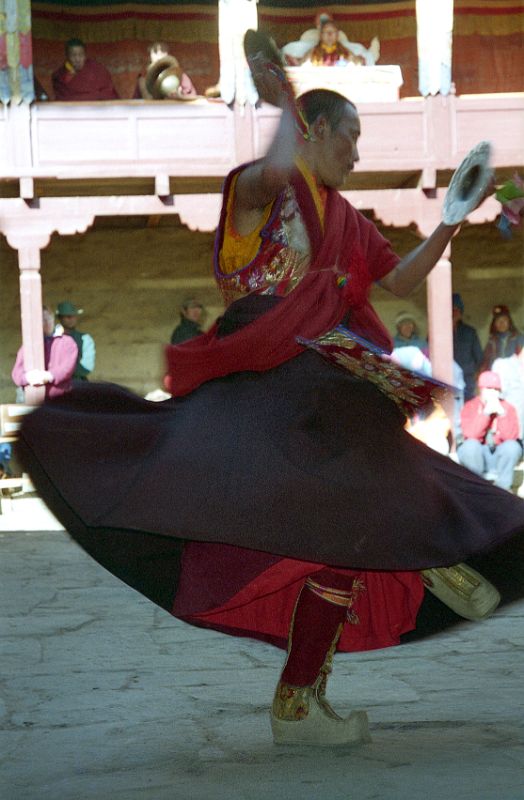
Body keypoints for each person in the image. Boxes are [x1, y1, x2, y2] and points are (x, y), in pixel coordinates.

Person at [18, 70, 524, 748]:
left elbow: (400, 279)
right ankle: (423, 546)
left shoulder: (348, 216)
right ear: (314, 129)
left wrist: (452, 221)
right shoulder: (262, 190)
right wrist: (278, 106)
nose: (358, 152)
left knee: (340, 523)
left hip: (322, 367)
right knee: (340, 496)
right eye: (350, 136)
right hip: (262, 361)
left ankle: (305, 695)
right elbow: (272, 169)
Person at [457, 371, 522, 492]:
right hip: (476, 457)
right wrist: (485, 414)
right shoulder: (470, 406)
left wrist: (502, 414)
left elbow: (511, 437)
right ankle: (477, 489)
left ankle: (503, 490)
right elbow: (470, 434)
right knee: (470, 446)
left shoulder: (508, 407)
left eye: (496, 389)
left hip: (498, 455)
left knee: (513, 447)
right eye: (489, 389)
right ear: (481, 389)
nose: (493, 392)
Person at [11, 307, 78, 399]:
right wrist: (28, 377)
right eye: (41, 320)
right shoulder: (29, 346)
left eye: (47, 319)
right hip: (32, 400)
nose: (44, 322)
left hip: (60, 399)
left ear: (52, 320)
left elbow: (67, 368)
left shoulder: (67, 342)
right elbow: (17, 373)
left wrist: (49, 376)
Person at [52, 39, 119, 102]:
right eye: (73, 55)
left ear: (85, 55)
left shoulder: (97, 69)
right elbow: (63, 99)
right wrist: (94, 96)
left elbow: (108, 93)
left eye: (81, 55)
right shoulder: (60, 76)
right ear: (67, 56)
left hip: (97, 110)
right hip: (73, 111)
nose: (77, 59)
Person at [452, 293, 483, 401]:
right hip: (446, 380)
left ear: (461, 312)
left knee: (468, 410)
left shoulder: (470, 332)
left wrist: (476, 375)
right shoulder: (437, 332)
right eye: (451, 309)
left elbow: (479, 357)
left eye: (457, 309)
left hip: (467, 381)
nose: (454, 312)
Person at [56, 301, 96, 381]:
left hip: (77, 383)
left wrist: (62, 370)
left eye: (73, 316)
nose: (72, 319)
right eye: (68, 316)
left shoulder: (84, 339)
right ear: (60, 318)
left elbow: (86, 368)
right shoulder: (52, 338)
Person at [481, 304, 524, 371]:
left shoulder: (519, 338)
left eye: (504, 319)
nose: (501, 323)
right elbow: (485, 363)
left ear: (509, 321)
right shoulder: (492, 342)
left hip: (515, 378)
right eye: (498, 320)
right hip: (496, 378)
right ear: (494, 324)